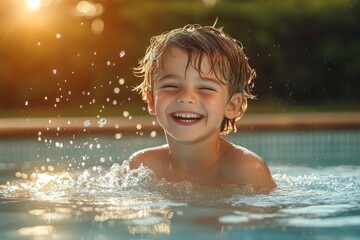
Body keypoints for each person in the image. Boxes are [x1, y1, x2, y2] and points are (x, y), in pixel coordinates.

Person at [129, 23, 276, 191]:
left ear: (232, 105)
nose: (186, 97)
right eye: (171, 86)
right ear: (151, 101)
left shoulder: (245, 169)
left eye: (205, 88)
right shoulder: (144, 166)